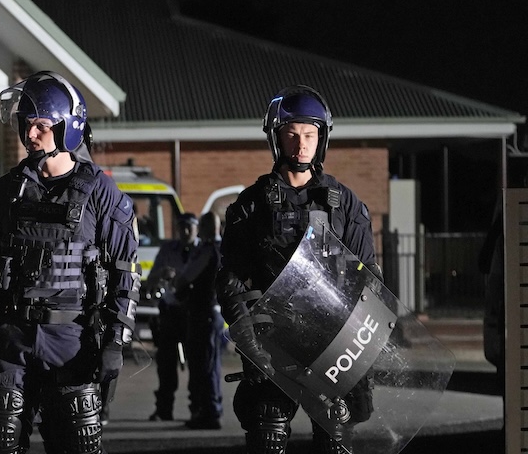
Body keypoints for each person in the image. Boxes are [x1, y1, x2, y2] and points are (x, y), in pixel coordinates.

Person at [0, 71, 140, 454]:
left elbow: (125, 272)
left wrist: (115, 341)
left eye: (41, 125)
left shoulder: (100, 193)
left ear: (67, 128)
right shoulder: (6, 192)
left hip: (71, 342)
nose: (31, 135)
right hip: (11, 342)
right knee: (2, 444)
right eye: (26, 125)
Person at [216, 86, 380, 454]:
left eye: (309, 134)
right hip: (272, 347)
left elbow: (368, 279)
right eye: (291, 134)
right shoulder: (251, 205)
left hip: (334, 347)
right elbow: (230, 281)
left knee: (335, 440)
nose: (301, 144)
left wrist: (362, 355)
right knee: (267, 435)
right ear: (276, 139)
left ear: (322, 139)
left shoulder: (345, 205)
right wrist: (249, 343)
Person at [144, 212, 200, 422]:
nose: (185, 232)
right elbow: (151, 278)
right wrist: (161, 274)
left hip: (192, 312)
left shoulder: (201, 250)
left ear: (196, 229)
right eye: (181, 227)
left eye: (189, 228)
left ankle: (197, 407)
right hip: (170, 310)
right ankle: (163, 408)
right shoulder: (168, 249)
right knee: (166, 364)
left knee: (196, 364)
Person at [174, 212, 225, 429]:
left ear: (204, 228)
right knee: (210, 364)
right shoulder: (225, 249)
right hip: (215, 313)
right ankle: (208, 409)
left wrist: (178, 284)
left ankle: (209, 412)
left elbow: (185, 278)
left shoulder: (208, 250)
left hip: (203, 313)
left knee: (205, 365)